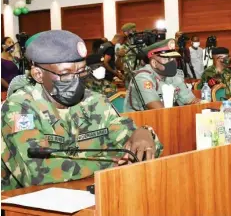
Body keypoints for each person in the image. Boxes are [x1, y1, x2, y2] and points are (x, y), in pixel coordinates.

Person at [1, 30, 163, 191]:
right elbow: (38, 172)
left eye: (81, 71)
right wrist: (112, 161)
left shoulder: (93, 101)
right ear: (38, 74)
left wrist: (143, 134)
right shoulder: (20, 108)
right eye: (65, 74)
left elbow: (133, 141)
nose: (76, 80)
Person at [124, 39, 200, 112]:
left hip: (164, 119)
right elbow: (158, 109)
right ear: (154, 63)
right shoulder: (142, 78)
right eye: (168, 59)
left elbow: (192, 101)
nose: (173, 62)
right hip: (138, 122)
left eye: (173, 58)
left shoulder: (174, 76)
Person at [116, 23, 140, 88]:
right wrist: (119, 56)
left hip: (141, 75)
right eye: (132, 31)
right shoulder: (122, 47)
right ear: (126, 33)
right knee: (130, 96)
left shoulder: (141, 45)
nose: (134, 33)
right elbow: (117, 65)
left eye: (135, 31)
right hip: (129, 77)